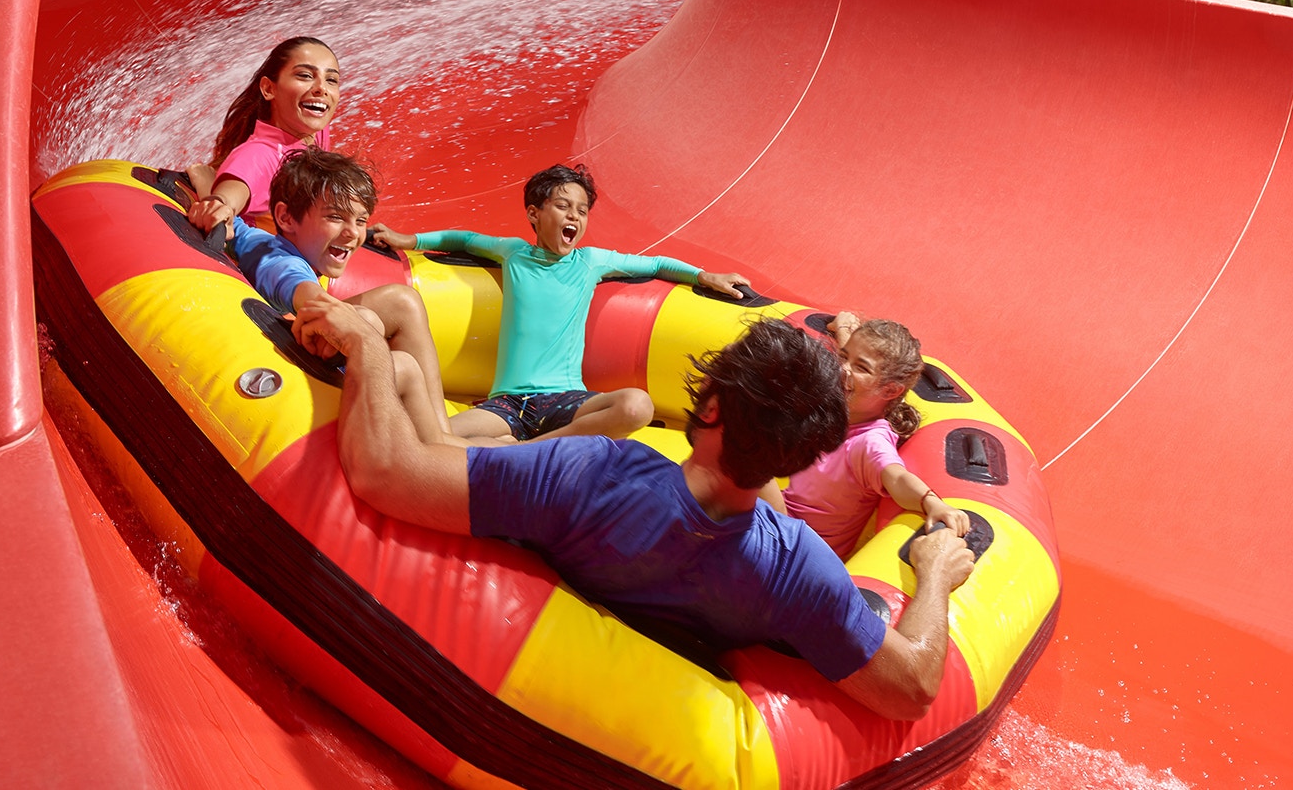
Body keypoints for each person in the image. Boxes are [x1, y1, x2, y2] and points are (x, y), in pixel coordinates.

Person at [291, 302, 977, 721]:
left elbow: (384, 471)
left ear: (710, 407)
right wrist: (936, 572)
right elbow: (913, 687)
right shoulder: (797, 566)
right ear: (802, 450)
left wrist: (368, 343)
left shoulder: (593, 472)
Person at [370, 164, 749, 445]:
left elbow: (655, 264)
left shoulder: (590, 262)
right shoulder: (514, 253)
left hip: (565, 401)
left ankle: (527, 449)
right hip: (508, 404)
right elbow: (465, 239)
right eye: (563, 206)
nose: (574, 216)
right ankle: (523, 446)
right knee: (426, 434)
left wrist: (706, 276)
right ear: (534, 214)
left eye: (582, 211)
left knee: (637, 407)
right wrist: (410, 240)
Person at [231, 146, 462, 446]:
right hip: (287, 370)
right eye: (335, 217)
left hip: (291, 343)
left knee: (402, 302)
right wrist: (361, 327)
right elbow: (306, 294)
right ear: (286, 218)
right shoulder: (282, 264)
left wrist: (213, 194)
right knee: (382, 336)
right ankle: (439, 443)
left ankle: (442, 433)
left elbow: (235, 224)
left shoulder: (257, 240)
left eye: (360, 221)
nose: (352, 233)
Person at [767, 312, 971, 560]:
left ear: (891, 390)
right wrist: (843, 328)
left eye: (861, 367)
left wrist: (932, 503)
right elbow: (851, 362)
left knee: (742, 456)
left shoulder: (869, 442)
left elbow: (897, 477)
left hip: (795, 551)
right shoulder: (844, 403)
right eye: (844, 357)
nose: (843, 368)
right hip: (779, 523)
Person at [188, 36, 340, 233]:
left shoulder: (314, 131)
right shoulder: (259, 154)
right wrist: (217, 202)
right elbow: (229, 197)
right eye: (305, 76)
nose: (322, 88)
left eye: (331, 80)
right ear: (268, 89)